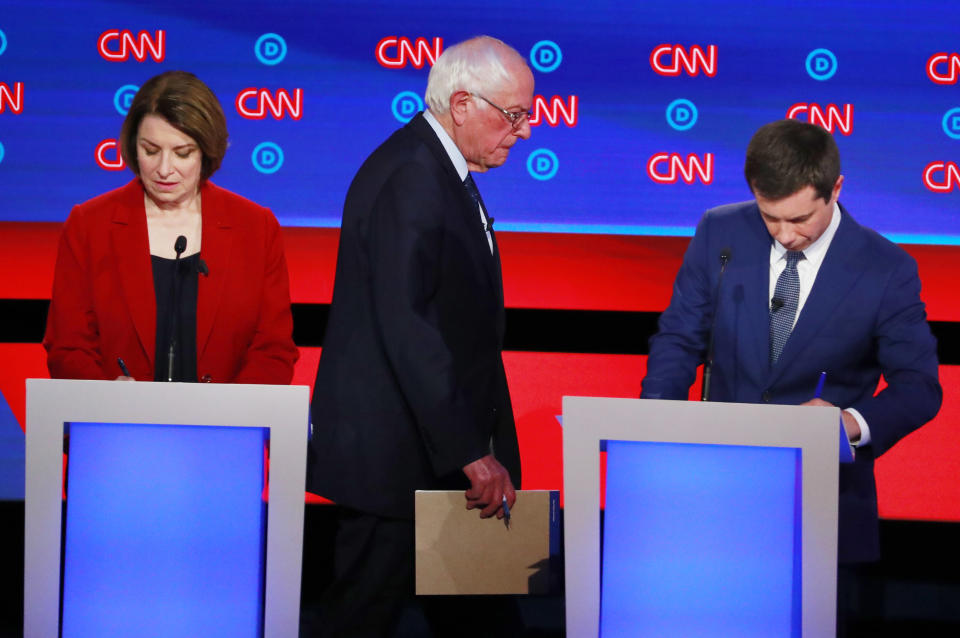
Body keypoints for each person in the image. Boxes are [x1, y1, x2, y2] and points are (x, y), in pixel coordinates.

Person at [641, 118, 942, 625]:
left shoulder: (886, 268)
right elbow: (678, 338)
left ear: (836, 189)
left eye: (800, 219)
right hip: (716, 491)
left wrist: (847, 422)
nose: (784, 234)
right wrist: (650, 429)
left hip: (819, 502)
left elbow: (919, 388)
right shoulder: (721, 230)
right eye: (769, 217)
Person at [307, 36, 533, 636]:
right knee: (360, 619)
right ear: (462, 104)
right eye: (514, 115)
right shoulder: (412, 175)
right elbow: (409, 327)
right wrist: (469, 450)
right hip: (401, 464)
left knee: (482, 617)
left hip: (434, 462)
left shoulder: (437, 169)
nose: (526, 130)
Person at [44, 70, 298, 384]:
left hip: (226, 430)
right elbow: (68, 348)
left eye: (182, 153)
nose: (164, 169)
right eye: (150, 151)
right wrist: (104, 398)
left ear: (207, 150)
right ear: (132, 146)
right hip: (115, 428)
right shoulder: (90, 225)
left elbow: (274, 351)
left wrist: (231, 414)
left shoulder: (255, 227)